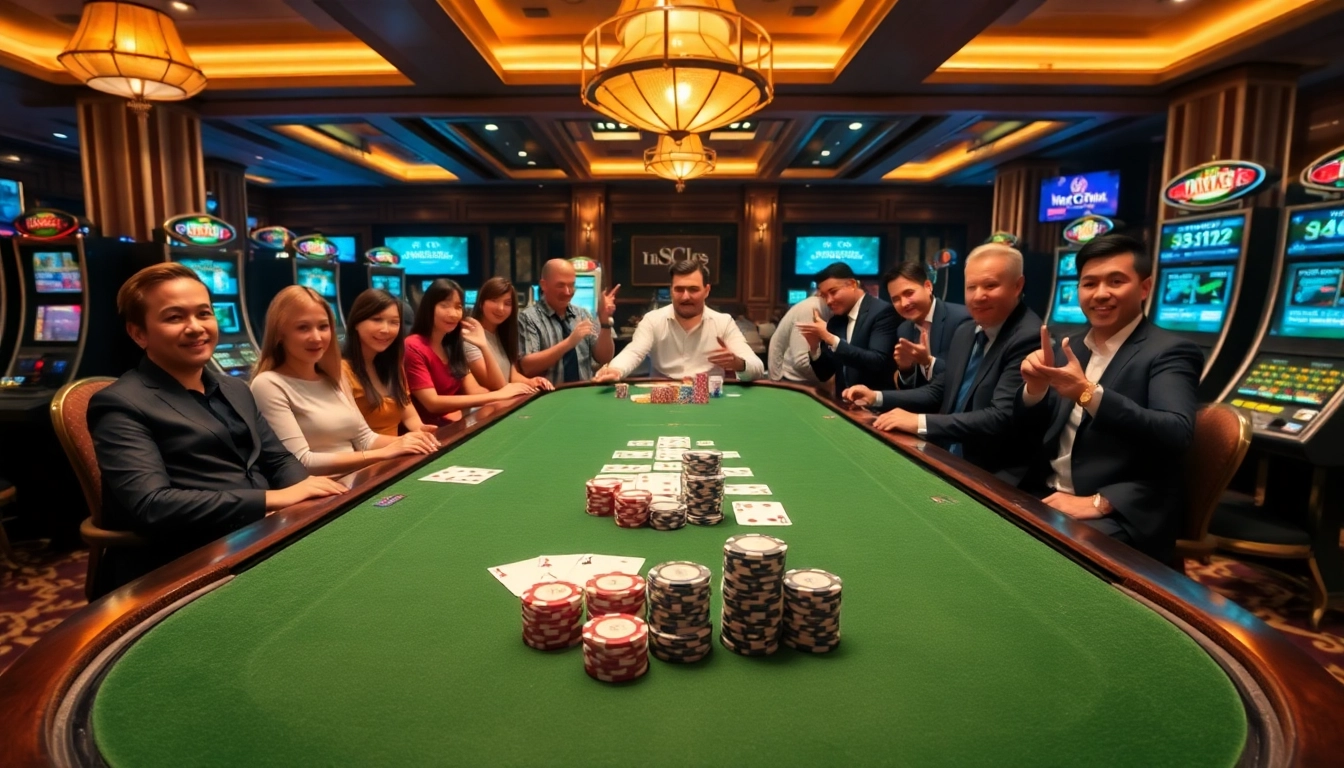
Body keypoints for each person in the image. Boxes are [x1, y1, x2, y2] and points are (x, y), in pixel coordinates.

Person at [87, 264, 348, 597]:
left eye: (204, 314)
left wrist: (308, 500)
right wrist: (270, 499)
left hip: (261, 538)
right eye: (174, 317)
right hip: (184, 565)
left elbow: (279, 459)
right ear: (139, 334)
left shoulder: (235, 388)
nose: (196, 328)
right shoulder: (119, 403)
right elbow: (151, 504)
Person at [1015, 234, 1202, 559]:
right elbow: (1030, 431)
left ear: (1144, 288)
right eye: (1090, 284)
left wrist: (1089, 394)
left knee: (1037, 559)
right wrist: (1034, 388)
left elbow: (1175, 433)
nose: (1101, 294)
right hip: (1047, 491)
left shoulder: (1169, 351)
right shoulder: (1068, 346)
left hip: (1116, 509)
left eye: (1116, 281)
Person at [843, 243, 1042, 484]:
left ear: (1017, 286)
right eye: (972, 287)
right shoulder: (967, 330)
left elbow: (1000, 417)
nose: (979, 295)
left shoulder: (1029, 336)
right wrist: (876, 397)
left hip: (994, 473)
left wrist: (920, 422)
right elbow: (940, 388)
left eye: (990, 285)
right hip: (946, 454)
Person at [252, 286, 440, 475]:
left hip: (359, 480)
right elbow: (301, 461)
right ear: (279, 334)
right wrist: (384, 453)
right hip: (321, 494)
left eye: (323, 327)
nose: (317, 337)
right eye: (303, 328)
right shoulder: (268, 384)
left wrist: (412, 441)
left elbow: (365, 438)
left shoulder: (335, 375)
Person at [593, 261, 764, 382]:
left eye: (693, 289)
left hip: (710, 404)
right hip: (662, 403)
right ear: (671, 290)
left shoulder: (723, 322)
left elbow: (756, 368)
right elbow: (634, 352)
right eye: (679, 289)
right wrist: (616, 370)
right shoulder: (653, 320)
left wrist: (738, 363)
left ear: (707, 290)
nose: (685, 296)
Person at [406, 279, 537, 425]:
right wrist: (497, 395)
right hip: (430, 435)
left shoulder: (451, 345)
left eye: (458, 307)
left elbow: (476, 390)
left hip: (456, 425)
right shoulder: (413, 346)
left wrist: (483, 345)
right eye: (444, 305)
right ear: (429, 308)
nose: (453, 313)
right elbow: (432, 403)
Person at [341, 289, 439, 437]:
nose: (386, 329)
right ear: (356, 322)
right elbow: (355, 439)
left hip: (397, 453)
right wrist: (402, 442)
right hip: (367, 457)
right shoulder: (342, 371)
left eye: (394, 322)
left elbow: (408, 413)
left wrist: (421, 431)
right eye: (377, 319)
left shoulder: (393, 365)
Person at [795, 263, 899, 396]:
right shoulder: (835, 321)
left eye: (833, 292)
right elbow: (824, 374)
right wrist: (814, 347)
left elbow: (877, 361)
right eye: (824, 296)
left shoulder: (882, 312)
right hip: (844, 405)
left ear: (852, 284)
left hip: (876, 408)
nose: (828, 301)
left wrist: (831, 339)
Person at [518, 258, 619, 384]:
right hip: (548, 397)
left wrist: (605, 323)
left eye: (571, 285)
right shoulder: (528, 317)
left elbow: (604, 358)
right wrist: (570, 342)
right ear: (544, 285)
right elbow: (527, 367)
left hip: (583, 393)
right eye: (561, 285)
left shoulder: (582, 314)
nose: (568, 292)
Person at [884, 260, 972, 389]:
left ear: (928, 287)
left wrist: (928, 362)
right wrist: (905, 369)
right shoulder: (904, 329)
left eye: (909, 293)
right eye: (896, 299)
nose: (904, 304)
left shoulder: (960, 319)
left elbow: (963, 376)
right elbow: (911, 390)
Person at [470, 276, 554, 392]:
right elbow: (493, 385)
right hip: (484, 407)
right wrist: (512, 387)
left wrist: (532, 382)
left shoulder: (504, 334)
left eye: (507, 303)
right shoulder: (470, 336)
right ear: (481, 303)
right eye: (494, 300)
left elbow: (512, 375)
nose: (500, 308)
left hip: (507, 403)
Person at [767, 293, 832, 386]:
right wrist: (832, 378)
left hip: (804, 379)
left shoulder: (830, 309)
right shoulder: (810, 309)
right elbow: (802, 362)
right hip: (793, 380)